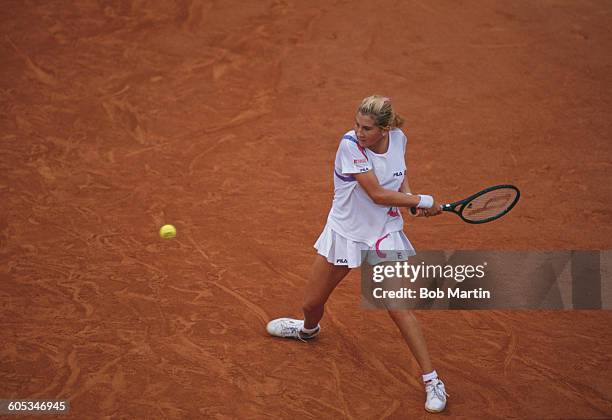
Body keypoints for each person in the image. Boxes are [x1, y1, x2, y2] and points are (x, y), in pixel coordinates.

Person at [266, 95, 448, 413]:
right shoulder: (350, 145)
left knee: (399, 309)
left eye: (367, 128)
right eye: (357, 125)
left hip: (383, 235)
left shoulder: (399, 139)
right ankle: (307, 330)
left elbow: (399, 175)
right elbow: (377, 194)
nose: (359, 132)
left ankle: (432, 380)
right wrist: (423, 199)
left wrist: (410, 198)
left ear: (385, 128)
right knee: (311, 303)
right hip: (345, 234)